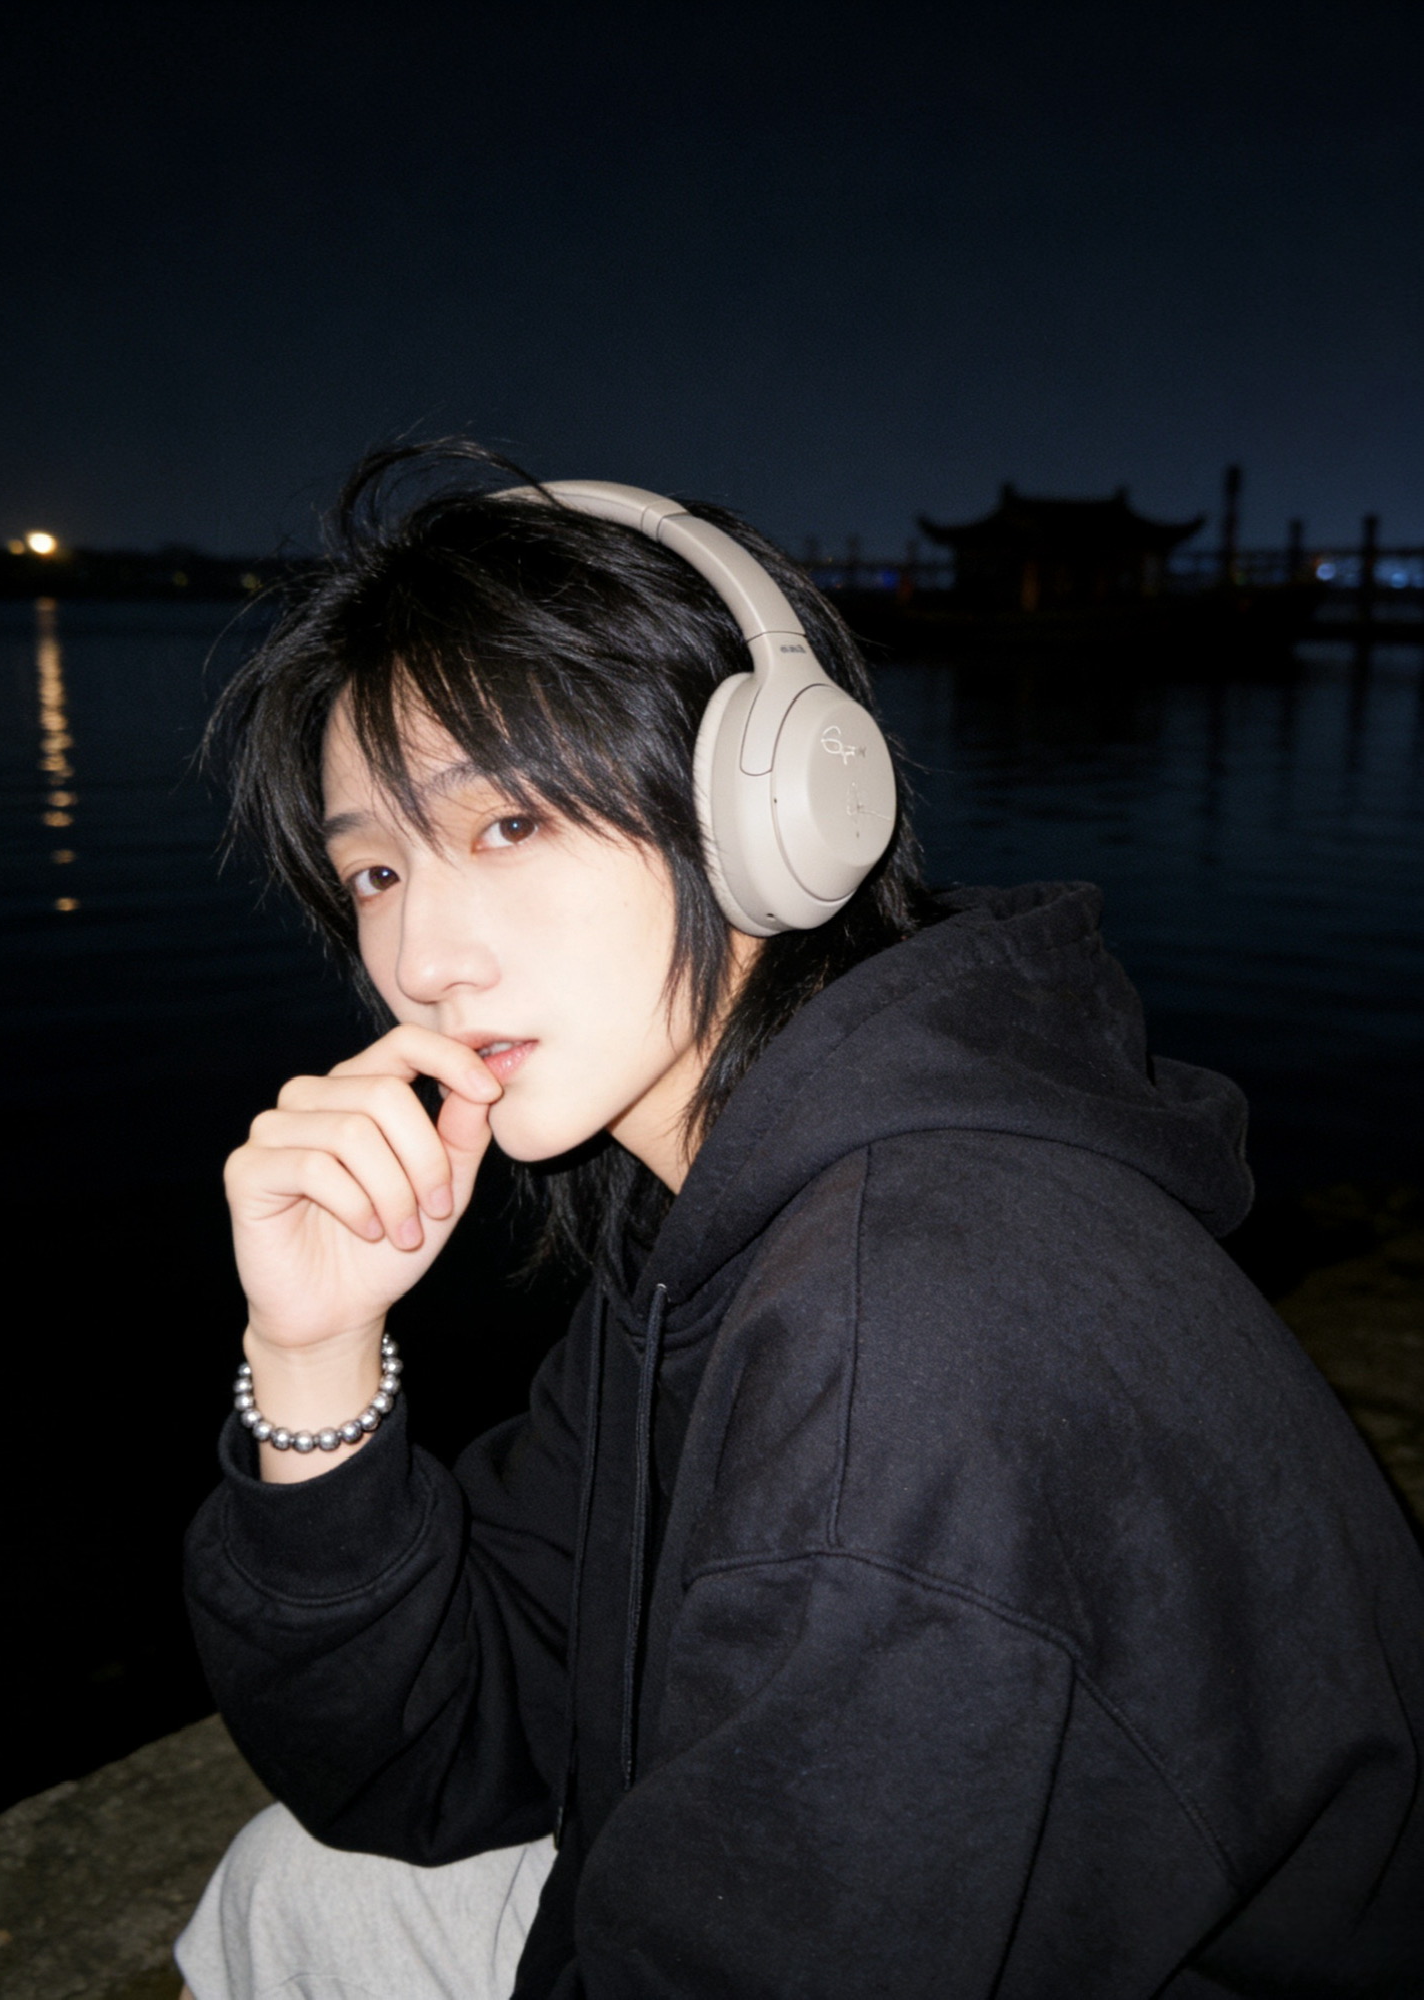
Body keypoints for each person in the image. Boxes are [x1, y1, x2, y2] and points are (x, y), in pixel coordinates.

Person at [178, 442, 1424, 2000]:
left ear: (772, 804)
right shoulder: (706, 1216)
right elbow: (435, 1746)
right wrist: (312, 1357)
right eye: (373, 868)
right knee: (293, 1887)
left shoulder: (903, 1337)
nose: (422, 957)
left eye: (506, 826)